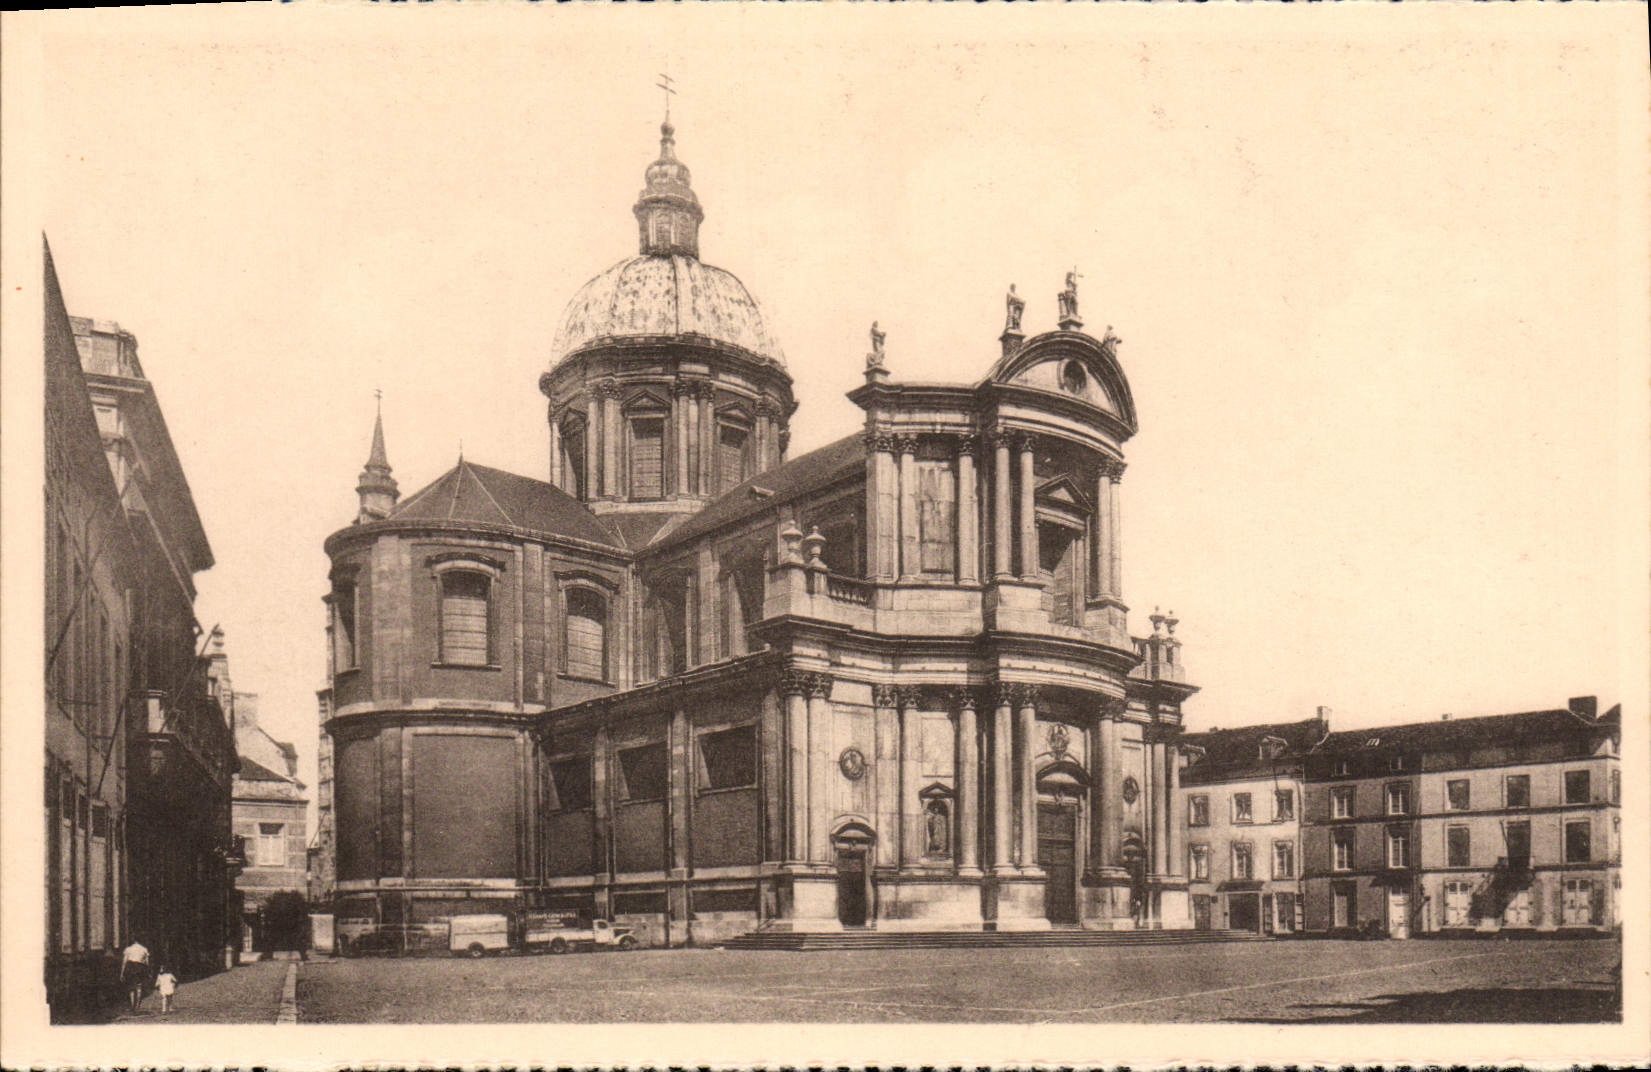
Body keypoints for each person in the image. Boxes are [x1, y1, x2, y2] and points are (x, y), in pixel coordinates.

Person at [120, 938, 151, 1012]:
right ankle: (137, 1006)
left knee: (131, 987)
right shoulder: (144, 949)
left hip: (130, 967)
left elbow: (124, 962)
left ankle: (132, 1006)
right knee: (139, 987)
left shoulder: (128, 949)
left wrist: (122, 973)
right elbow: (147, 962)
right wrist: (147, 972)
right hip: (140, 967)